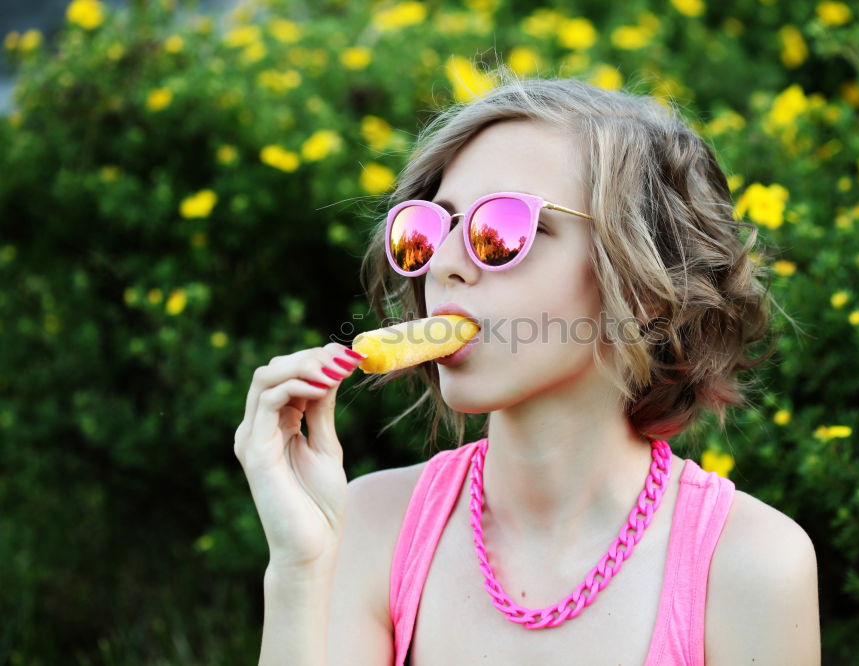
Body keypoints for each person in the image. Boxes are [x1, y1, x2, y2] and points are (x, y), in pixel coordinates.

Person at [235, 72, 821, 665]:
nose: (442, 265)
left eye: (501, 230)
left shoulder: (751, 567)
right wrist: (299, 569)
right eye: (429, 230)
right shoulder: (369, 526)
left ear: (645, 288)